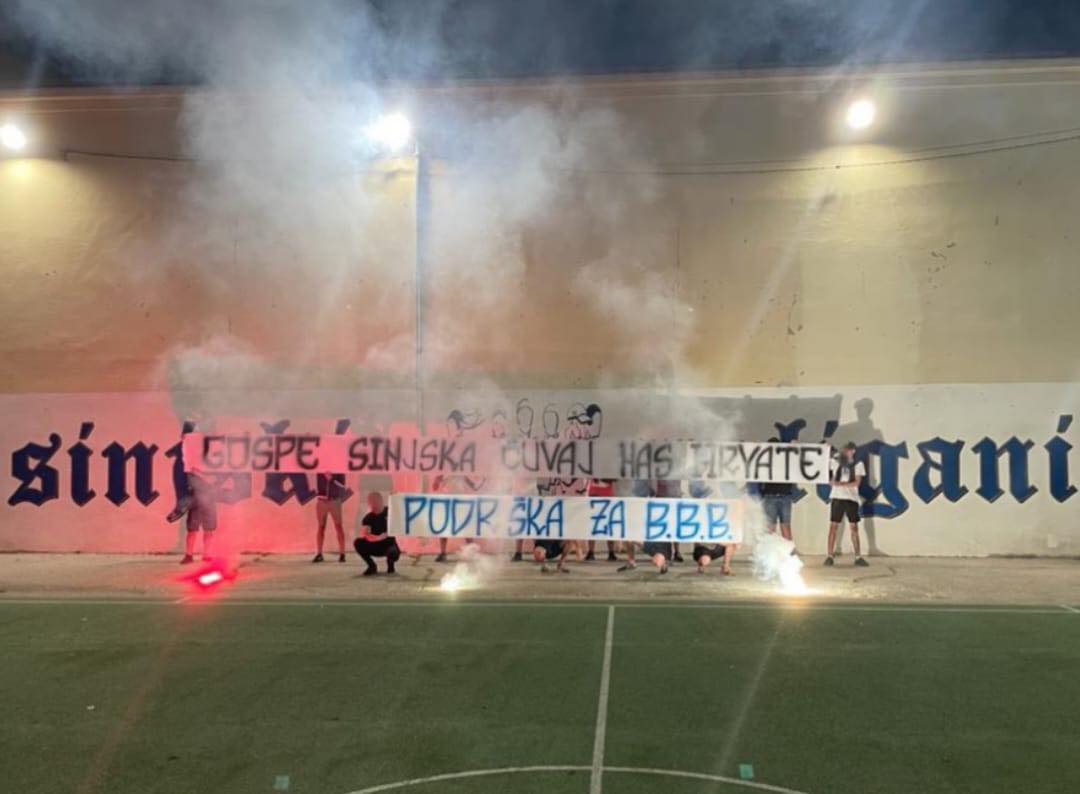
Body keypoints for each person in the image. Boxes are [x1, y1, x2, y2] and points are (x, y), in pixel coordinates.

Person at [825, 442, 868, 567]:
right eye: (844, 450)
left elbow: (857, 482)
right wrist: (826, 448)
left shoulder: (858, 464)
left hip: (851, 498)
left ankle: (858, 556)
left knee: (853, 527)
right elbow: (822, 463)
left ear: (853, 451)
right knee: (833, 526)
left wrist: (839, 484)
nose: (845, 452)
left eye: (848, 450)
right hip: (837, 497)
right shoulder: (835, 462)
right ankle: (829, 555)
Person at [757, 437, 797, 548]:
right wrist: (762, 492)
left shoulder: (786, 460)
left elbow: (796, 463)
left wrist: (794, 447)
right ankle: (771, 551)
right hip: (772, 496)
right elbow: (758, 476)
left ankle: (788, 552)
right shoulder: (766, 461)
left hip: (784, 496)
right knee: (771, 527)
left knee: (785, 527)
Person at [354, 492, 400, 576]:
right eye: (371, 501)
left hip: (389, 545)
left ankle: (390, 566)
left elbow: (399, 522)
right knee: (358, 542)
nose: (373, 504)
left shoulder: (390, 512)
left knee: (393, 552)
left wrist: (396, 498)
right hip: (375, 545)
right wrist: (379, 537)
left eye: (375, 501)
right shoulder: (368, 518)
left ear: (381, 501)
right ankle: (372, 566)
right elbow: (366, 535)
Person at [312, 472, 350, 563]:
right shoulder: (320, 470)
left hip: (335, 501)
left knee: (338, 526)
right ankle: (319, 553)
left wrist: (332, 479)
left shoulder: (339, 470)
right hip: (322, 501)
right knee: (321, 527)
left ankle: (342, 554)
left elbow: (342, 485)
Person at [585, 478, 619, 561]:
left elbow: (615, 479)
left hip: (607, 495)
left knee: (609, 525)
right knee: (593, 525)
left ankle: (611, 552)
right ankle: (591, 552)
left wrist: (602, 478)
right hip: (594, 494)